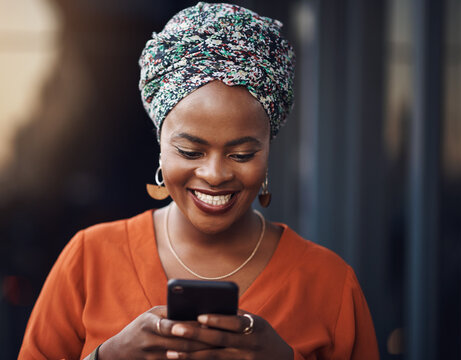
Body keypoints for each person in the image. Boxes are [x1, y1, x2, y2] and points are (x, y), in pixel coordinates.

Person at [18, 3, 379, 359]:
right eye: (191, 152)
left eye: (241, 155)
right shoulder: (88, 261)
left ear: (269, 149)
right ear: (160, 147)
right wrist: (106, 356)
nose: (215, 174)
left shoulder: (329, 283)